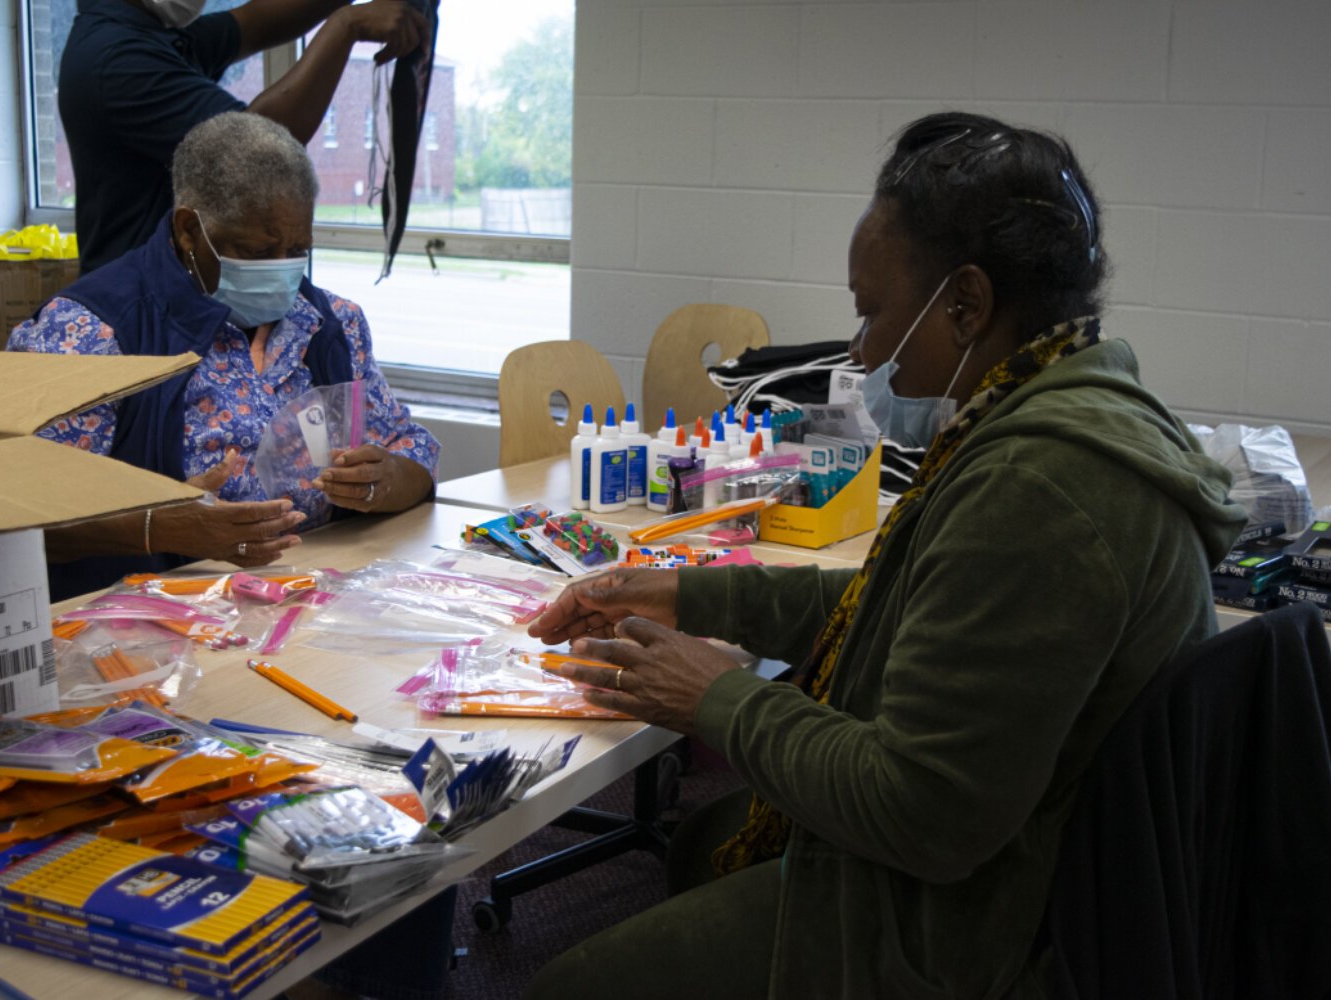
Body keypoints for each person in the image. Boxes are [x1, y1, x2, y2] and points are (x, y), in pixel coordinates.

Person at [522, 113, 1248, 999]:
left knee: (573, 986)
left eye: (872, 313)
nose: (862, 349)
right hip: (1050, 855)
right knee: (702, 842)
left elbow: (923, 812)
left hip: (1000, 927)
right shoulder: (1067, 403)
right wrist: (689, 594)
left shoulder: (1041, 487)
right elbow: (911, 601)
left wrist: (715, 697)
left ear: (967, 304)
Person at [9, 111, 438, 602]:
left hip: (314, 596)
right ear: (190, 230)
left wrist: (383, 480)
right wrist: (162, 527)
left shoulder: (329, 324)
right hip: (152, 622)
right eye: (257, 251)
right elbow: (24, 518)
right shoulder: (91, 333)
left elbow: (414, 451)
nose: (283, 271)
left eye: (298, 250)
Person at [60, 0, 429, 273]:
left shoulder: (150, 37)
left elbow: (253, 24)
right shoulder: (116, 59)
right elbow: (257, 149)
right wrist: (346, 26)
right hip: (140, 312)